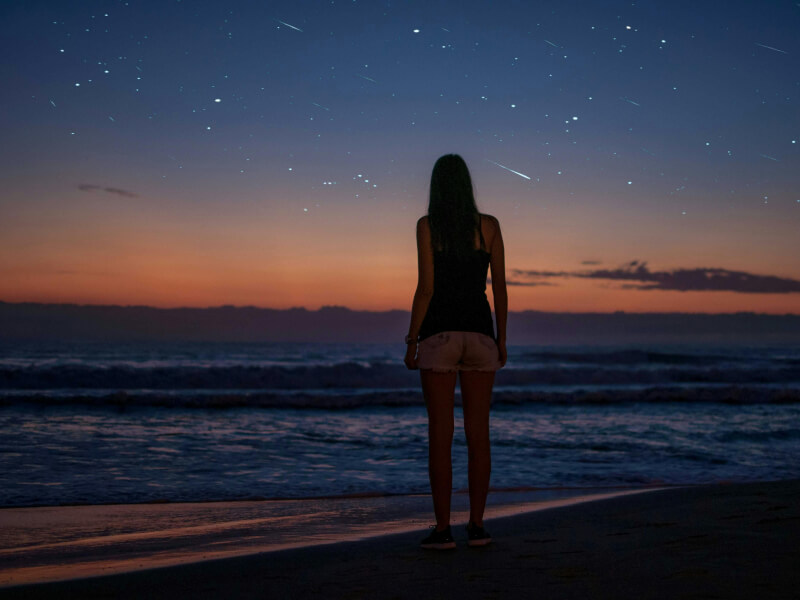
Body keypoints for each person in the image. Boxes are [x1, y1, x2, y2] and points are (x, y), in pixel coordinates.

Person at [404, 154, 508, 550]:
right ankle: (477, 526)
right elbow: (498, 288)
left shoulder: (428, 227)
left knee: (440, 436)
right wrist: (502, 340)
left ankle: (443, 529)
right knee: (478, 435)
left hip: (440, 338)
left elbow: (426, 288)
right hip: (481, 337)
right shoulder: (489, 226)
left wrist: (411, 340)